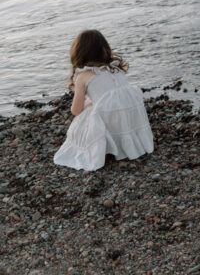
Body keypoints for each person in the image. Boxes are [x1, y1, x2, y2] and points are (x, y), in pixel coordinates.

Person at [53, 29, 154, 171]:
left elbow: (76, 110)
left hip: (112, 121)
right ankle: (126, 143)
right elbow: (113, 96)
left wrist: (88, 105)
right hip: (128, 121)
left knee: (85, 113)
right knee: (96, 104)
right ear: (104, 49)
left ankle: (106, 146)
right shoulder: (115, 68)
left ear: (79, 53)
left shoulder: (83, 76)